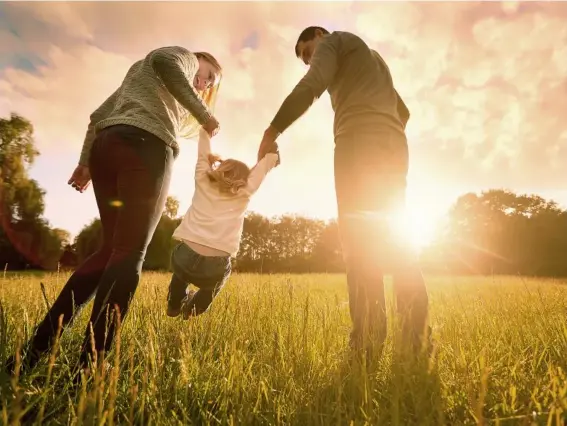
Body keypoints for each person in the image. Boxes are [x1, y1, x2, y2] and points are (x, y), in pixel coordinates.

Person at [5, 46, 223, 377]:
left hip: (107, 148)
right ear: (198, 60)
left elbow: (97, 116)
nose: (204, 84)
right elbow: (167, 62)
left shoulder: (143, 82)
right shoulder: (180, 57)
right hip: (147, 147)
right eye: (208, 75)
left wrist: (84, 163)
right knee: (130, 253)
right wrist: (204, 113)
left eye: (210, 84)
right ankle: (91, 364)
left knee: (109, 251)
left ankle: (34, 351)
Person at [257, 27, 430, 356]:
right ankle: (416, 341)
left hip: (357, 143)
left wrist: (272, 129)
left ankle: (366, 344)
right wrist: (383, 130)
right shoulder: (373, 58)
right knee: (397, 239)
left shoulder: (333, 42)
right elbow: (403, 112)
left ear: (319, 36)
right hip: (394, 144)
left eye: (309, 53)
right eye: (306, 59)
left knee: (360, 243)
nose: (310, 62)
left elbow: (312, 85)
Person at [166, 128, 279, 319]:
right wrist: (271, 155)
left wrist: (205, 131)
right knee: (213, 285)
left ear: (220, 169)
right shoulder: (245, 192)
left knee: (180, 274)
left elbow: (203, 153)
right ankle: (193, 310)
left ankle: (174, 304)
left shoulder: (203, 178)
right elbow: (262, 169)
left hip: (185, 254)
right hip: (215, 264)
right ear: (244, 180)